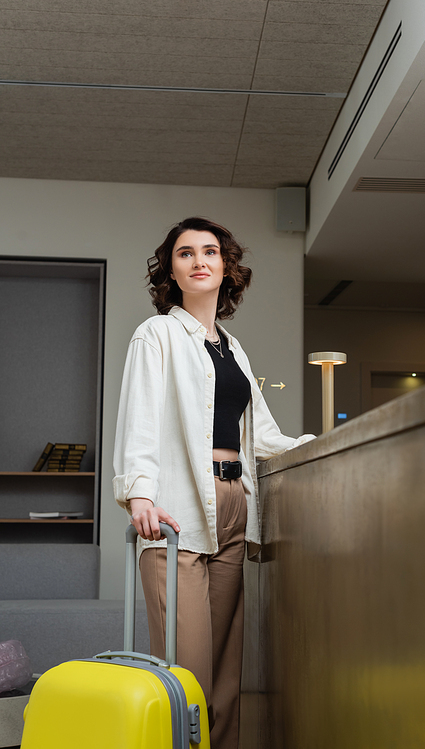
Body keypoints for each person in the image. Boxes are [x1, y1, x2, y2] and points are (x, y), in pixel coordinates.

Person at [112, 216, 314, 749]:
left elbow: (263, 435)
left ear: (227, 268)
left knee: (227, 672)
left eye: (210, 251)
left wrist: (315, 445)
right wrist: (139, 493)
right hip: (175, 510)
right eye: (185, 253)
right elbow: (140, 418)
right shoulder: (155, 334)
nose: (199, 260)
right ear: (171, 272)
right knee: (188, 671)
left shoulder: (233, 349)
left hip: (232, 505)